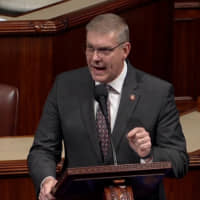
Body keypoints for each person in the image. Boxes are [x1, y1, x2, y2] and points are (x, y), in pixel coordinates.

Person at [28, 13, 189, 200]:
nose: (95, 58)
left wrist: (149, 154)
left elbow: (180, 162)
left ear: (125, 50)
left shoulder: (157, 92)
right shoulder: (65, 86)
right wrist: (47, 179)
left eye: (104, 50)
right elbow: (43, 149)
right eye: (90, 49)